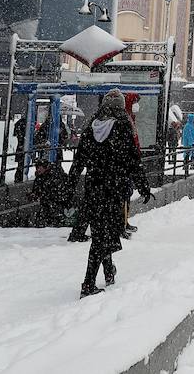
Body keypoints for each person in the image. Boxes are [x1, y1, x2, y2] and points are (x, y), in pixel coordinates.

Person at [69, 90, 152, 298]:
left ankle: (108, 271)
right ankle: (88, 284)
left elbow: (79, 159)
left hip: (94, 188)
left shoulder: (91, 126)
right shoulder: (123, 125)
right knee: (103, 236)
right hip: (114, 189)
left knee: (100, 231)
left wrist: (70, 184)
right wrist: (143, 185)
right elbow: (132, 159)